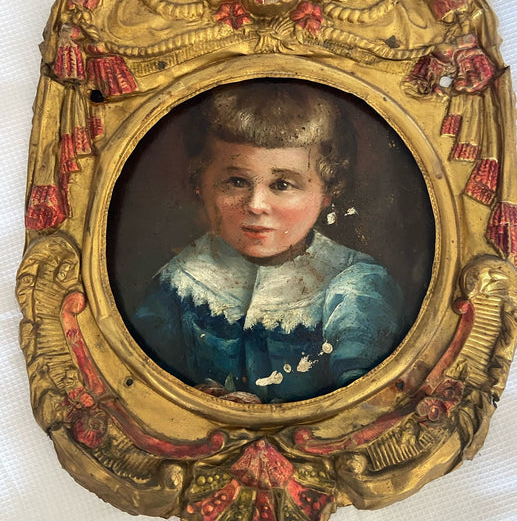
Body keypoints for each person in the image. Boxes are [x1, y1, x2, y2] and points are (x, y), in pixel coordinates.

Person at [133, 80, 404, 403]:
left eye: (283, 184)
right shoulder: (180, 279)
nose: (256, 205)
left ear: (327, 191)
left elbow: (365, 403)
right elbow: (140, 382)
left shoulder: (354, 286)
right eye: (236, 181)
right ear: (200, 183)